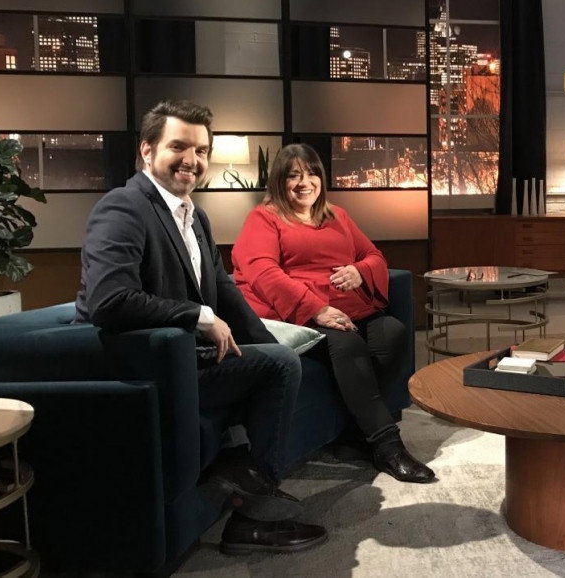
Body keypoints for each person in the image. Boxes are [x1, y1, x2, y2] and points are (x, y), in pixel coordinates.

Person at [75, 100, 326, 554]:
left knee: (280, 361)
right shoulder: (124, 207)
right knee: (279, 368)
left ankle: (244, 480)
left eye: (201, 150)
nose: (191, 160)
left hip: (189, 359)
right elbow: (109, 301)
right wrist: (198, 315)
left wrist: (268, 344)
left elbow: (224, 288)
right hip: (146, 369)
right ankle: (254, 516)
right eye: (179, 147)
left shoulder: (194, 215)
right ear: (147, 150)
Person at [231, 143, 435, 484]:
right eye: (293, 175)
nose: (304, 182)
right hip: (298, 314)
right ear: (279, 181)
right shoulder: (264, 218)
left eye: (311, 173)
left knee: (392, 333)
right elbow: (262, 272)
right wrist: (317, 309)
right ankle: (387, 446)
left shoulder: (337, 215)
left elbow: (373, 255)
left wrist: (360, 271)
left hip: (349, 307)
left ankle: (354, 433)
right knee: (348, 344)